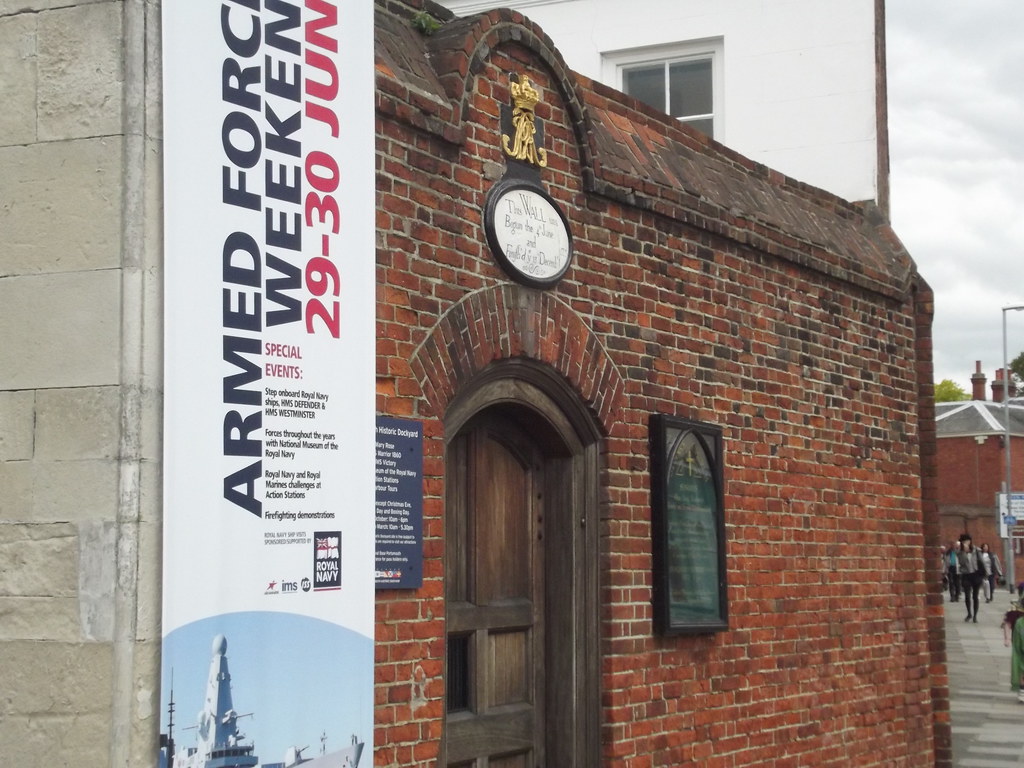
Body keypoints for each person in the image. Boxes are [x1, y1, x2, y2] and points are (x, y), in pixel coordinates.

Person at [957, 533, 983, 622]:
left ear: (970, 541)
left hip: (976, 574)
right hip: (966, 575)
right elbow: (962, 562)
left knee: (975, 596)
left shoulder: (976, 550)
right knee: (967, 596)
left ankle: (975, 615)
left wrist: (984, 574)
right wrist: (964, 551)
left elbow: (981, 562)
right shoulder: (960, 552)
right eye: (963, 541)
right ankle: (969, 613)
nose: (965, 543)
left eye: (967, 541)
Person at [1003, 602, 1024, 702]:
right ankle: (1022, 690)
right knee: (1021, 668)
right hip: (1020, 644)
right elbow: (1008, 623)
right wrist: (1007, 638)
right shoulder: (1017, 614)